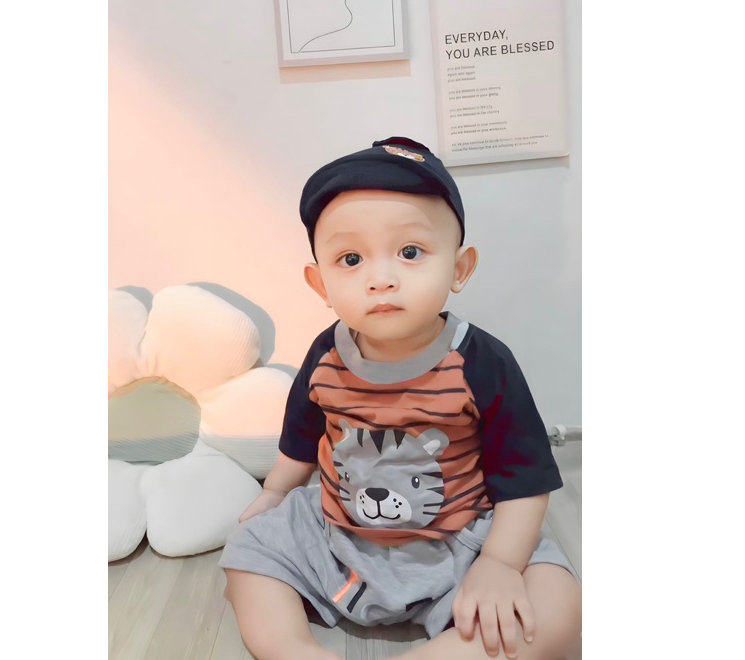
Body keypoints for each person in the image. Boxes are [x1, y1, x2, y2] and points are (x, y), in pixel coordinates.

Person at [220, 137, 581, 660]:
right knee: (247, 551)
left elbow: (525, 479)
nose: (381, 279)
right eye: (351, 259)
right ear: (320, 284)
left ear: (459, 268)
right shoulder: (326, 353)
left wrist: (500, 564)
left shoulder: (481, 361)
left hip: (457, 543)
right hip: (336, 537)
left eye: (410, 253)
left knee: (556, 603)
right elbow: (301, 437)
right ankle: (296, 650)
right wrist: (275, 494)